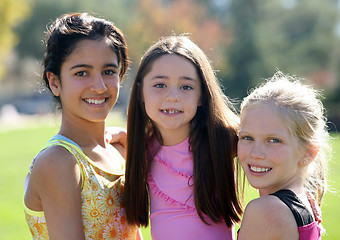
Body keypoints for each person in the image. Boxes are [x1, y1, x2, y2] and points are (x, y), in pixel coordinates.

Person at [23, 12, 142, 239]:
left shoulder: (120, 152)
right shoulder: (58, 162)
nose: (98, 86)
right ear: (55, 82)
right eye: (82, 73)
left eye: (108, 71)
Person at [124, 35, 243, 240]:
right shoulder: (139, 148)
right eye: (160, 85)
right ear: (140, 92)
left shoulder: (225, 138)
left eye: (186, 87)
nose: (173, 97)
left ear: (202, 95)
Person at [237, 71, 330, 240]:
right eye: (247, 138)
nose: (256, 153)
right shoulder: (306, 202)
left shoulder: (267, 210)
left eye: (273, 140)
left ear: (308, 153)